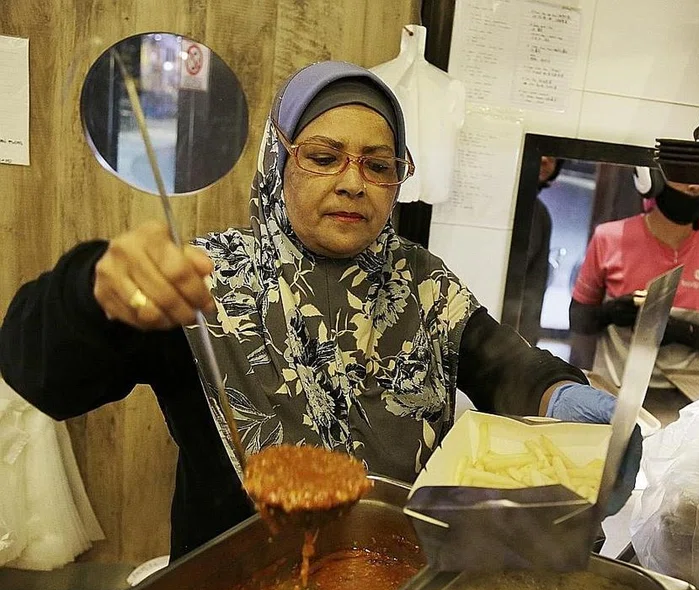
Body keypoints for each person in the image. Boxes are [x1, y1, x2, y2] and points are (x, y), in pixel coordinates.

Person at [0, 62, 642, 559]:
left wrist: (557, 395)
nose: (353, 182)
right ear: (279, 161)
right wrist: (91, 290)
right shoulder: (202, 282)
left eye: (378, 165)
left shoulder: (421, 282)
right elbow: (41, 374)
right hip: (236, 583)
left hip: (398, 573)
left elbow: (500, 363)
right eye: (324, 157)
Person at [569, 166, 699, 389]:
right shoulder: (608, 238)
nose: (695, 186)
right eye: (684, 175)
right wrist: (610, 313)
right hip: (611, 392)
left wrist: (683, 332)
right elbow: (579, 319)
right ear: (651, 177)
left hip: (686, 397)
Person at [517, 156, 564, 346]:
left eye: (554, 156)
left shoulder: (541, 214)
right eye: (542, 151)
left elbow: (534, 290)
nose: (545, 160)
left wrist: (526, 348)